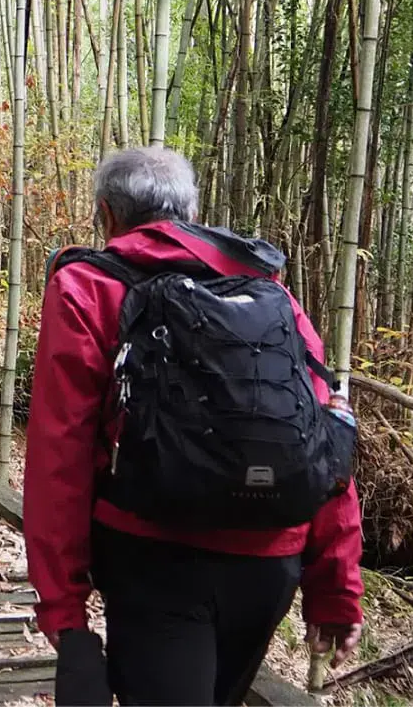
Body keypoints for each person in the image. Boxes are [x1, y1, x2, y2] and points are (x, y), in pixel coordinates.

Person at [23, 146, 364, 706]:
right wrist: (335, 585)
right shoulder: (268, 289)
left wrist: (62, 602)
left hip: (153, 556)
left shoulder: (88, 285)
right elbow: (324, 438)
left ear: (107, 214)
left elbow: (60, 450)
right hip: (269, 560)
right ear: (190, 211)